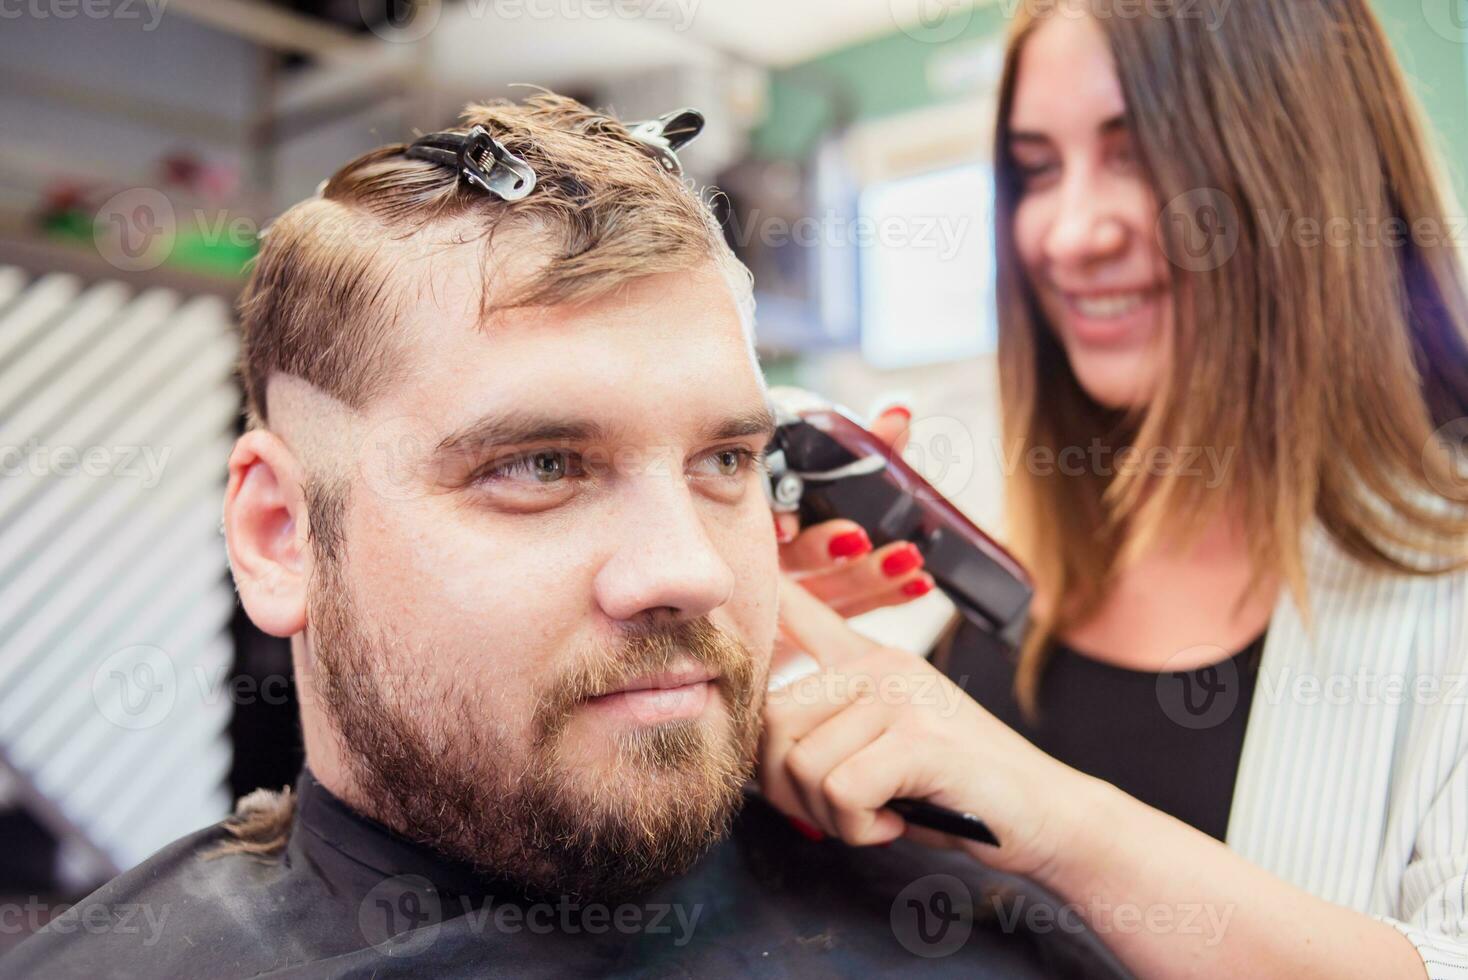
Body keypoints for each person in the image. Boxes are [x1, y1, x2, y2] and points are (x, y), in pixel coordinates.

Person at [3, 93, 1127, 979]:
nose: (686, 566)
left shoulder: (975, 909)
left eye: (723, 461)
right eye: (540, 465)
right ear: (280, 533)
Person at [765, 1, 1468, 976]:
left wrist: (1052, 813)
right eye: (1038, 169)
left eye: (1137, 154)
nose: (1066, 232)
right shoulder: (1044, 547)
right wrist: (750, 659)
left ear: (1303, 169)